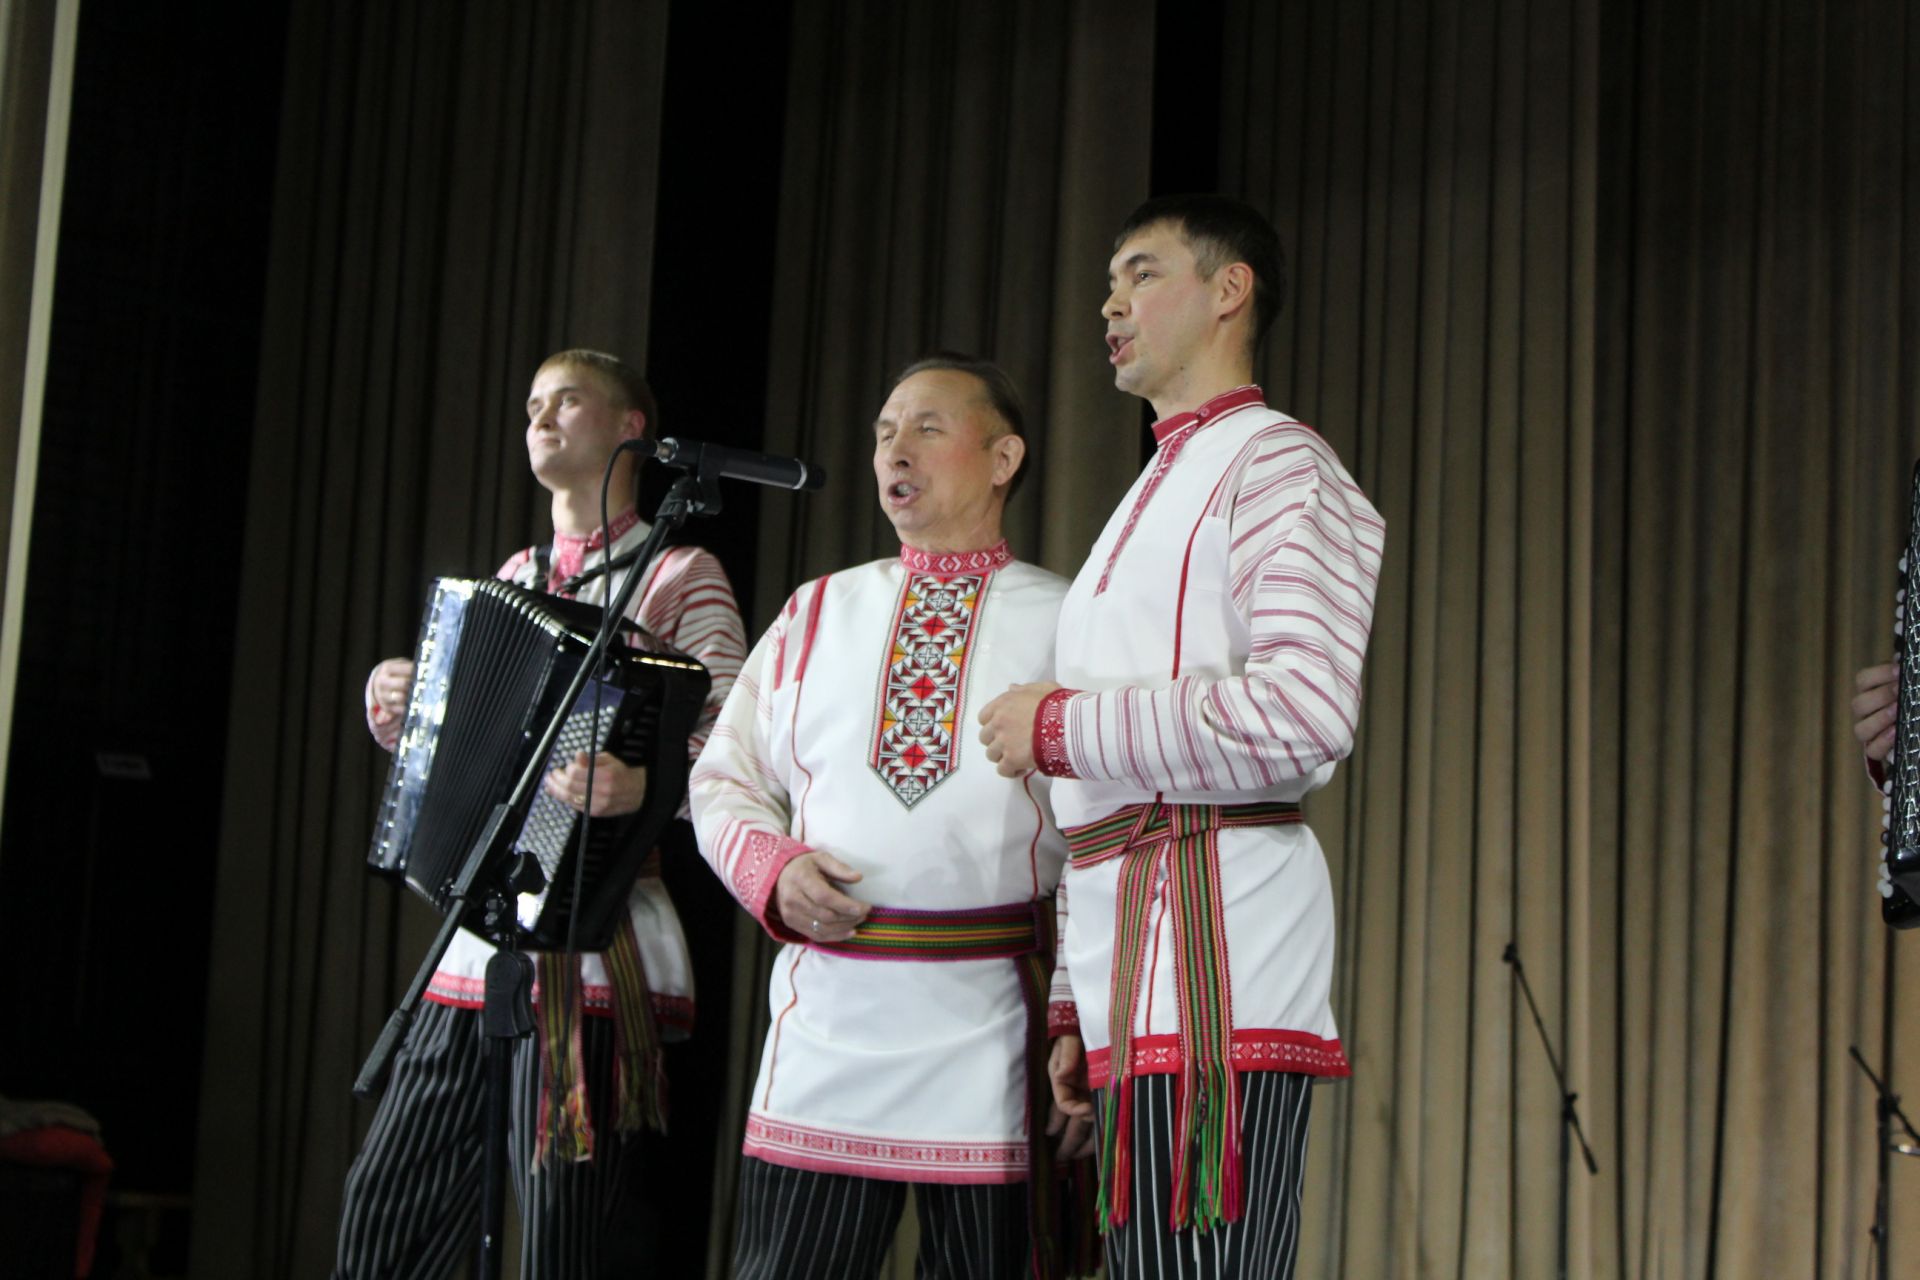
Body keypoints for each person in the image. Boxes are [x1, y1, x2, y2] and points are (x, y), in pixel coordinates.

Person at [978, 195, 1386, 1278]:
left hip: (1220, 941)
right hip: (1135, 959)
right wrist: (1075, 995)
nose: (1111, 303)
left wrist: (1060, 722)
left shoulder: (1280, 463)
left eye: (1142, 273)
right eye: (1111, 281)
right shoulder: (1150, 490)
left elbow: (1304, 713)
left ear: (1229, 289)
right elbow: (1101, 795)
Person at [335, 349, 746, 1278]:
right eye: (532, 405)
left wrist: (648, 785)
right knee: (387, 1207)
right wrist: (410, 707)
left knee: (564, 1227)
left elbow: (733, 743)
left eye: (568, 400)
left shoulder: (681, 573)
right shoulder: (516, 571)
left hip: (599, 930)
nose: (543, 417)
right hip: (482, 935)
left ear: (631, 427)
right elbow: (474, 744)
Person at [690, 356, 1087, 1280]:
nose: (892, 451)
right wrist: (773, 870)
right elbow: (723, 779)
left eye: (926, 428)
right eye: (882, 431)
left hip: (995, 1027)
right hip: (828, 1021)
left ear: (1003, 458)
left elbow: (1106, 844)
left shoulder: (1068, 619)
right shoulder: (816, 611)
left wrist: (1079, 1015)